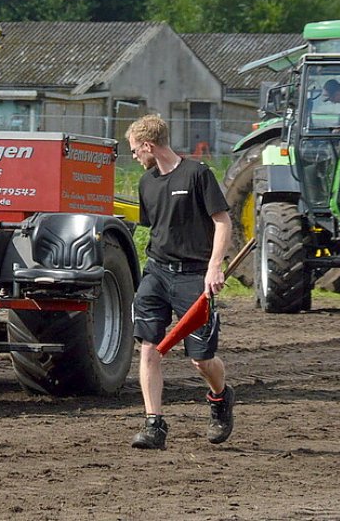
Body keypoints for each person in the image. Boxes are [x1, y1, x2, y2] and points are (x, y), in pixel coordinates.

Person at [127, 113, 234, 450]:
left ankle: (220, 397)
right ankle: (154, 424)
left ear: (148, 145)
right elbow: (158, 227)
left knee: (201, 360)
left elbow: (222, 222)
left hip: (194, 277)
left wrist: (214, 268)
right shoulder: (146, 183)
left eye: (134, 150)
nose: (133, 157)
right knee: (149, 348)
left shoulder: (198, 174)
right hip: (157, 272)